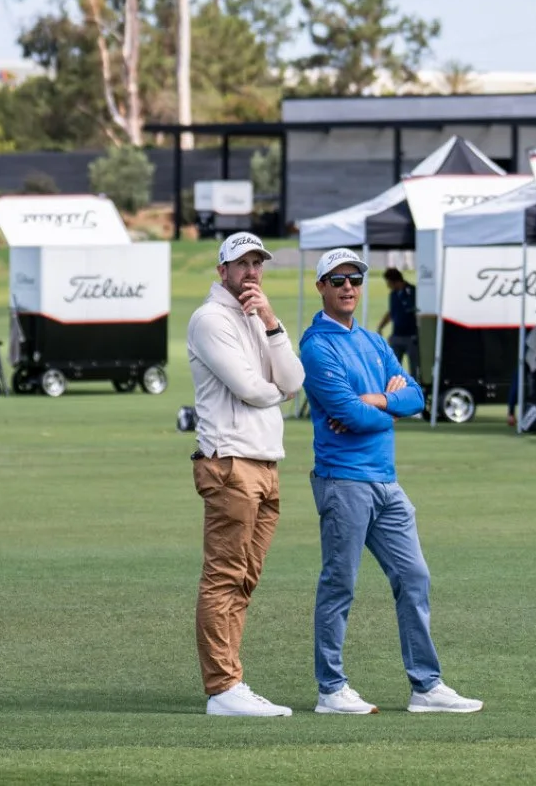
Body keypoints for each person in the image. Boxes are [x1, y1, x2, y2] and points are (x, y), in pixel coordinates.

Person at [297, 247, 482, 715]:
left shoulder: (374, 343)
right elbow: (350, 415)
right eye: (337, 280)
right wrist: (380, 407)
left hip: (386, 482)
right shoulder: (316, 346)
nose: (347, 287)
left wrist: (375, 401)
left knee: (414, 576)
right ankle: (330, 689)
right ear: (321, 287)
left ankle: (426, 686)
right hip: (343, 481)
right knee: (340, 583)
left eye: (355, 279)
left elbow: (415, 397)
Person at [185, 230, 307, 717]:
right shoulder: (209, 319)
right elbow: (253, 389)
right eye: (242, 264)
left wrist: (273, 323)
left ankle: (231, 681)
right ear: (223, 271)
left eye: (258, 263)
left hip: (265, 461)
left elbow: (294, 378)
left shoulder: (259, 316)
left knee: (245, 579)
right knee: (224, 576)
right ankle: (222, 688)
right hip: (230, 461)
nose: (252, 272)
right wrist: (279, 391)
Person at [376, 266, 419, 376]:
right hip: (396, 337)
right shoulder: (393, 295)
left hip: (411, 338)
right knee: (393, 369)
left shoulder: (412, 291)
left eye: (388, 282)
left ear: (394, 281)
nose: (387, 285)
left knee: (414, 370)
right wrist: (381, 326)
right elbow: (392, 312)